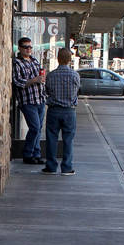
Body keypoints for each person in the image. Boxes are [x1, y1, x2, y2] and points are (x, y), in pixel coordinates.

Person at [42, 46, 80, 175]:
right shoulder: (75, 75)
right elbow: (76, 92)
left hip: (54, 110)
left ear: (58, 59)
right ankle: (67, 167)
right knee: (68, 139)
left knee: (51, 138)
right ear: (70, 60)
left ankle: (51, 166)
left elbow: (46, 91)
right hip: (69, 111)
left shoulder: (51, 75)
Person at [12, 37, 45, 164]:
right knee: (35, 128)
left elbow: (40, 77)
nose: (29, 49)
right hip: (27, 100)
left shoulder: (35, 60)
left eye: (30, 47)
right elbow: (17, 82)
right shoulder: (17, 63)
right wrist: (34, 80)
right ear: (20, 48)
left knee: (38, 128)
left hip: (40, 99)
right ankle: (27, 154)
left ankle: (36, 154)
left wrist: (42, 80)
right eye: (26, 47)